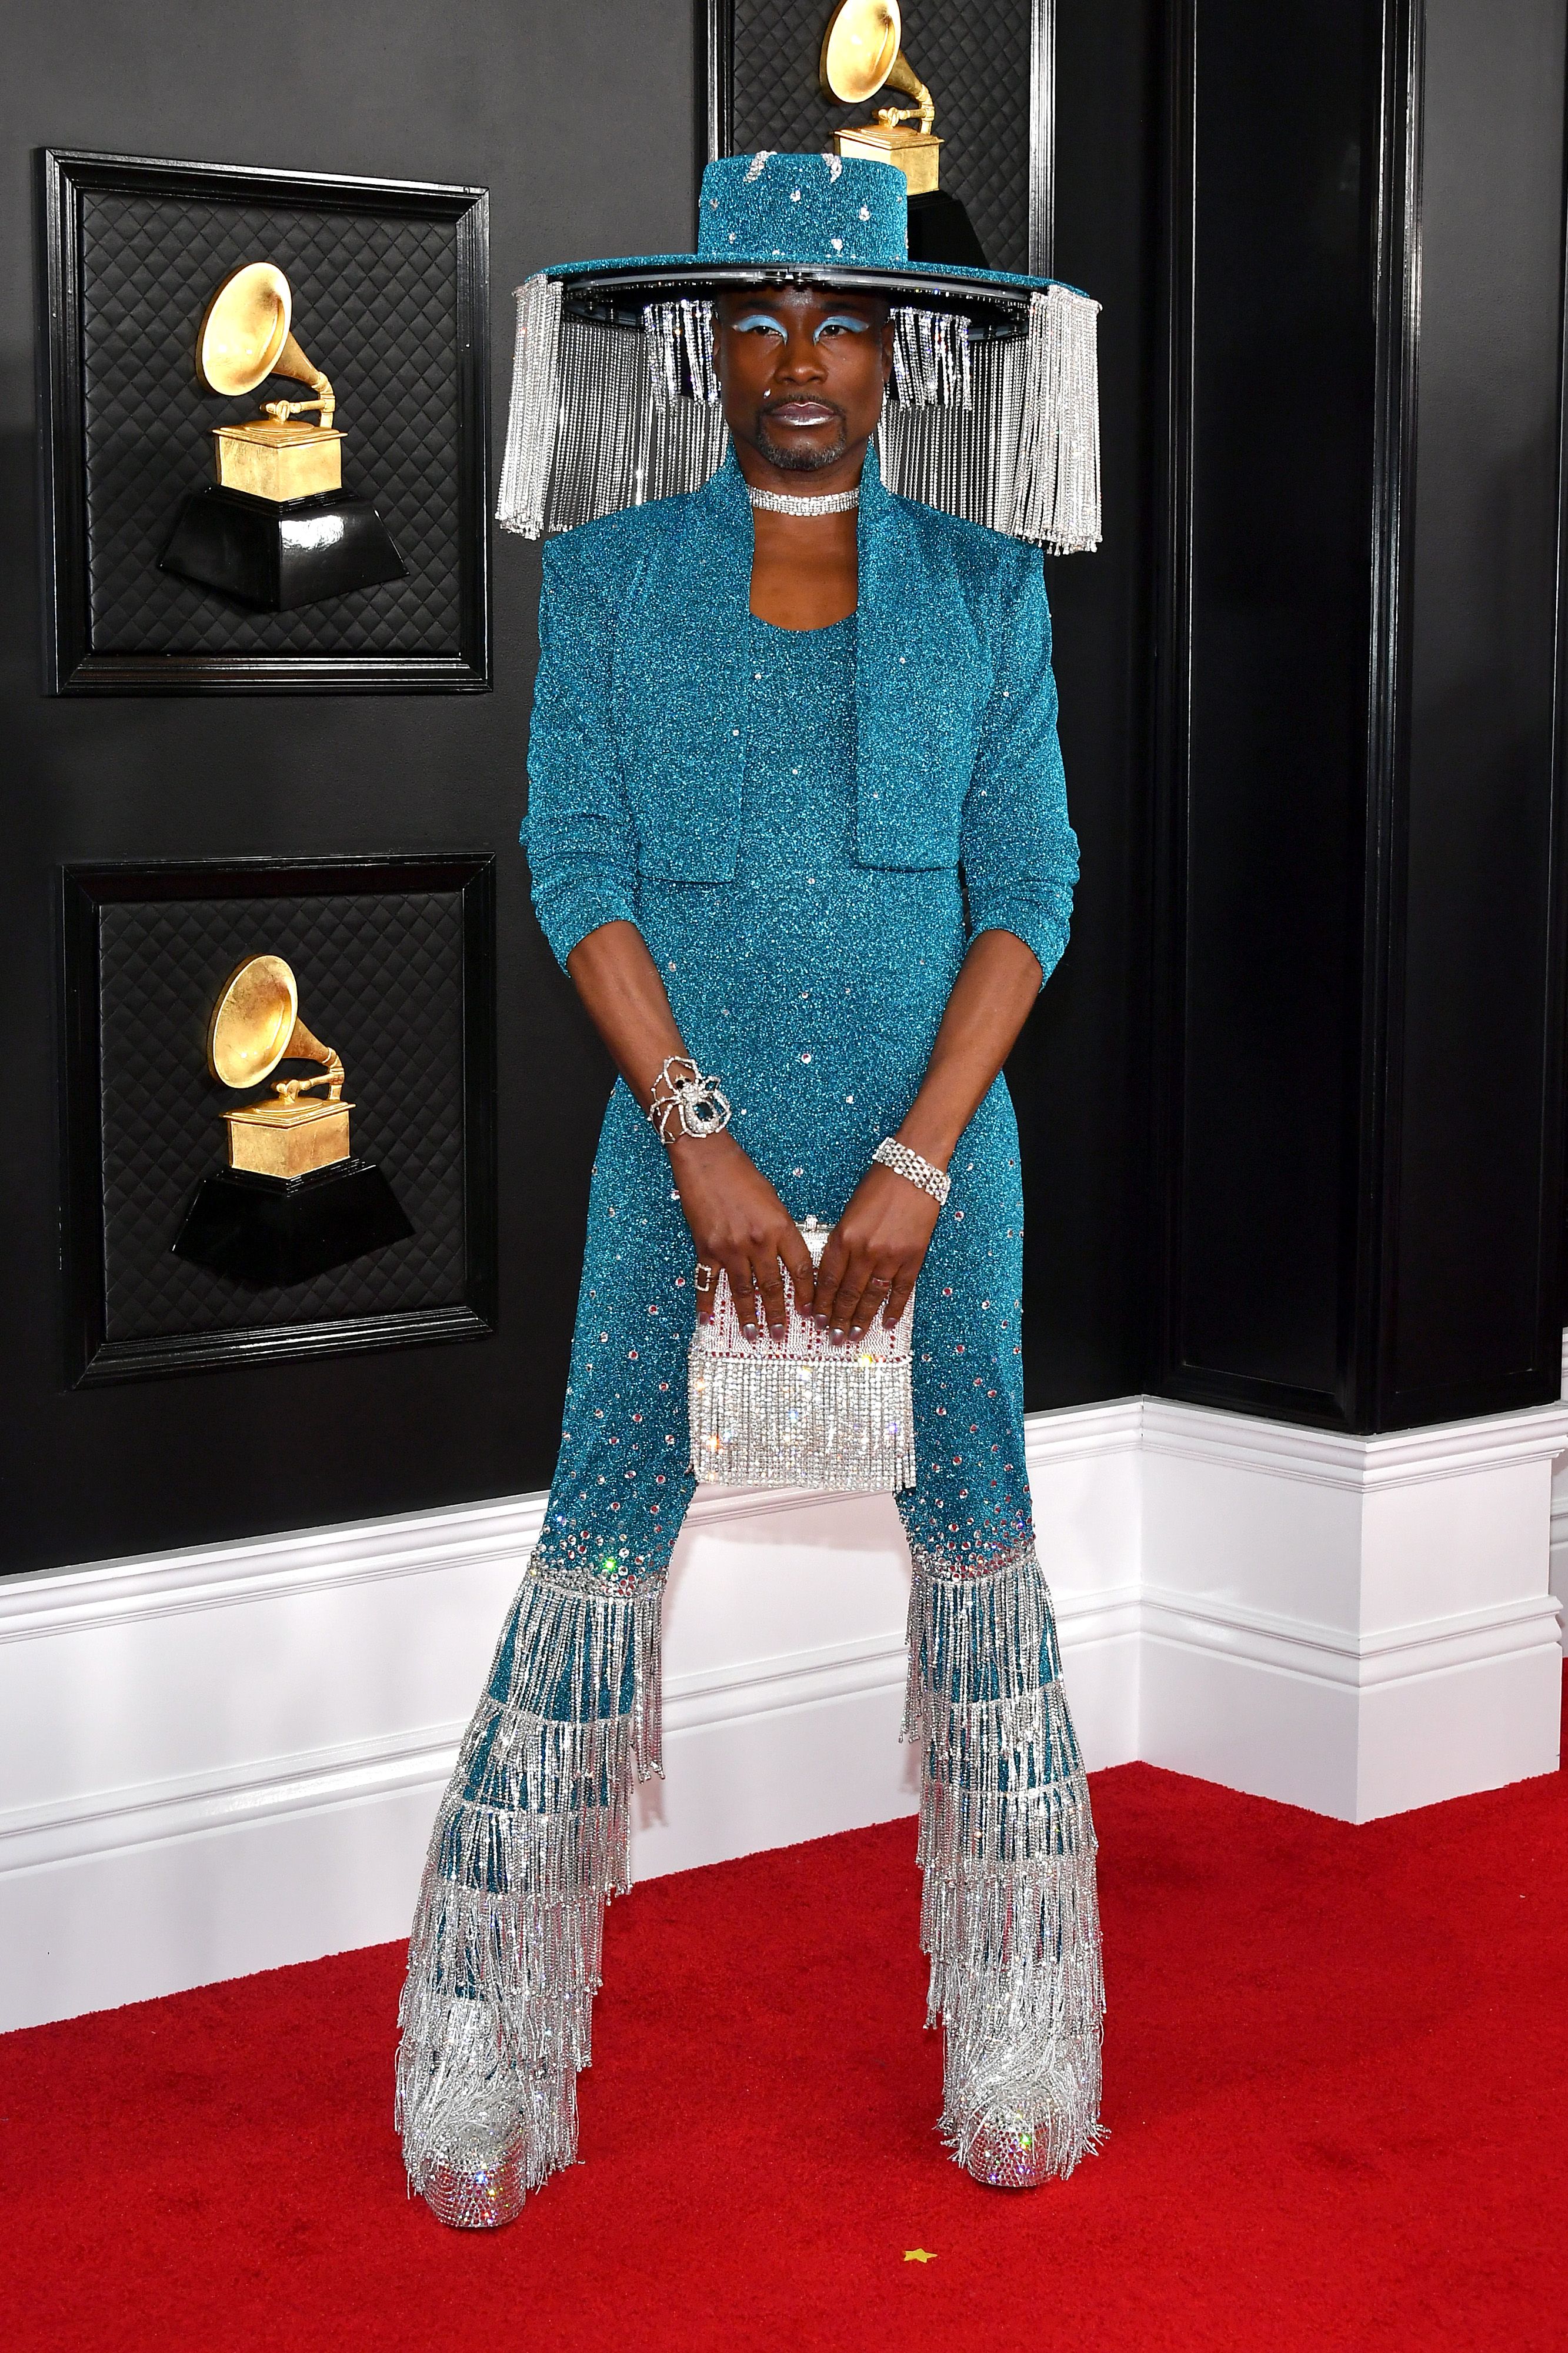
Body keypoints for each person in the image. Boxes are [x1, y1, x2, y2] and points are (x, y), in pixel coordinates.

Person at [396, 151, 1105, 2229]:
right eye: (765, 325)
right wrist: (698, 1136)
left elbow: (1030, 896)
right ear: (710, 348)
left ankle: (1020, 2024)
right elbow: (580, 875)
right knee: (595, 1558)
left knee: (980, 1562)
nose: (802, 365)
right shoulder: (611, 578)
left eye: (847, 322)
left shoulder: (988, 587)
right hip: (672, 1163)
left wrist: (914, 1159)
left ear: (902, 351)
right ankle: (489, 2045)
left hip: (931, 1174)